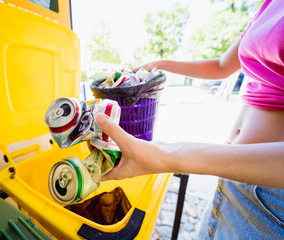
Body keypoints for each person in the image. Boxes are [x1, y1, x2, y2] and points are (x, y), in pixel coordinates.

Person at [92, 0, 284, 239]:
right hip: (232, 175)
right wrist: (160, 63)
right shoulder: (269, 5)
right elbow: (221, 66)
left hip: (273, 201)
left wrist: (166, 156)